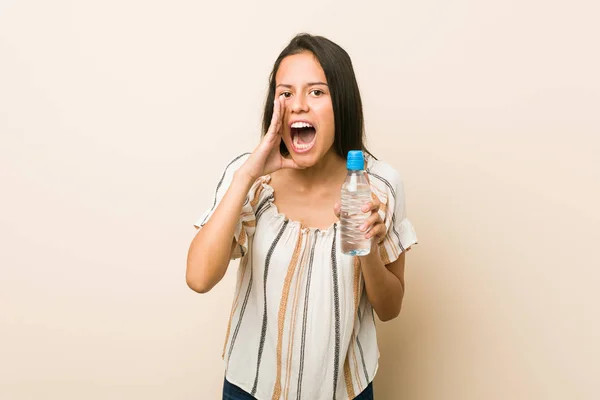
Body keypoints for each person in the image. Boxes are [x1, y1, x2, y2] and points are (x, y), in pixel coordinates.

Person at [186, 33, 418, 400]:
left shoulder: (380, 186)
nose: (298, 105)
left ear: (341, 102)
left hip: (345, 390)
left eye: (316, 92)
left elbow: (390, 309)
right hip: (250, 389)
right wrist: (248, 173)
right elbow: (198, 278)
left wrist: (369, 247)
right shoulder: (249, 181)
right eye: (286, 93)